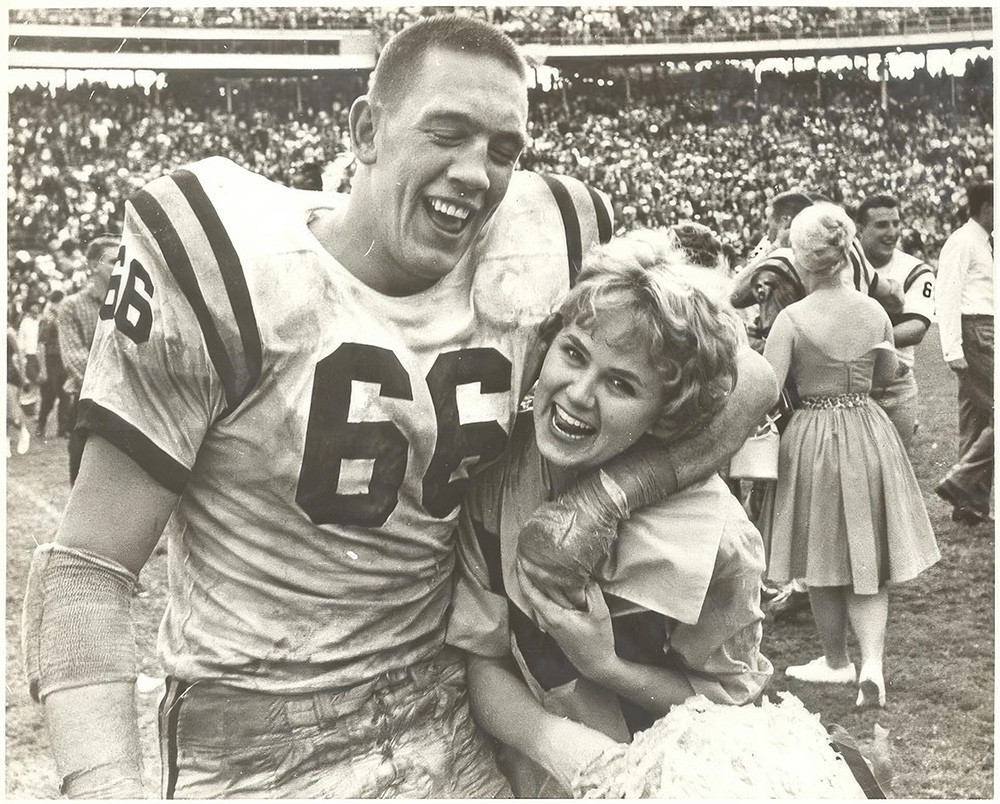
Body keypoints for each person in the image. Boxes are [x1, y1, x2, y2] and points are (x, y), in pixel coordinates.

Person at [23, 16, 777, 800]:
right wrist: (104, 786)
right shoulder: (227, 259)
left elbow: (749, 379)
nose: (476, 172)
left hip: (445, 712)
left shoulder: (540, 240)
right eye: (446, 133)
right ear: (366, 130)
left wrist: (608, 496)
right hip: (254, 743)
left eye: (504, 149)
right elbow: (87, 567)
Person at [449, 229, 772, 796]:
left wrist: (607, 668)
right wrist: (563, 749)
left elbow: (731, 706)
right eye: (574, 354)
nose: (578, 393)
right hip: (534, 770)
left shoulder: (716, 539)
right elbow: (484, 662)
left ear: (667, 415)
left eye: (620, 384)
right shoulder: (501, 470)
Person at [763, 203, 939, 709]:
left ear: (802, 258)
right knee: (868, 553)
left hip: (813, 434)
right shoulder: (874, 312)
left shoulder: (792, 318)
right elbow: (887, 375)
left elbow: (769, 387)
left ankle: (836, 660)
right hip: (867, 428)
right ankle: (873, 665)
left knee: (819, 551)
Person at [934, 181, 994, 525]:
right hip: (977, 332)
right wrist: (952, 347)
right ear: (986, 207)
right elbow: (948, 293)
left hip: (983, 330)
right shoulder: (963, 242)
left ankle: (969, 505)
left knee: (975, 420)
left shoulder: (984, 242)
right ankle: (960, 481)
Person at [857, 194, 935, 452]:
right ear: (860, 229)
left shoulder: (915, 269)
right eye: (881, 225)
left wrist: (861, 343)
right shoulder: (842, 266)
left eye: (896, 223)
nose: (891, 232)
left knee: (897, 464)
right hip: (849, 381)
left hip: (894, 384)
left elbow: (916, 329)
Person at [56, 235, 118, 485]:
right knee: (84, 487)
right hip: (89, 408)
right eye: (115, 261)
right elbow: (76, 360)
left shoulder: (135, 307)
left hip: (133, 415)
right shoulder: (72, 306)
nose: (123, 267)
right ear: (93, 265)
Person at [36, 290, 70, 440]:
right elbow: (41, 345)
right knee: (49, 396)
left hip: (63, 360)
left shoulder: (65, 319)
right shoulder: (46, 320)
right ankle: (41, 424)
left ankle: (63, 429)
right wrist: (43, 369)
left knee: (65, 395)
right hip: (50, 360)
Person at [8, 322, 31, 457]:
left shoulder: (8, 333)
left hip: (9, 376)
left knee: (12, 410)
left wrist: (23, 377)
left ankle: (23, 431)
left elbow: (20, 356)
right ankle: (5, 441)